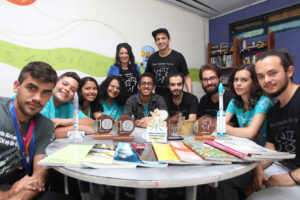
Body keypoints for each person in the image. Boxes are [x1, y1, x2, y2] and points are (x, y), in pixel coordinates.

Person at [0, 62, 71, 200]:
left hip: (16, 185)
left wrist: (16, 197)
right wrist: (8, 195)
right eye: (31, 87)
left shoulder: (46, 126)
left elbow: (39, 178)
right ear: (17, 86)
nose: (37, 98)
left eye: (45, 92)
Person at [246, 50, 300, 199]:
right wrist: (258, 168)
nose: (266, 80)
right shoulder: (274, 110)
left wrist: (292, 177)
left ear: (289, 71)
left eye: (273, 73)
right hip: (281, 166)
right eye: (261, 76)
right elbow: (271, 146)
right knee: (234, 178)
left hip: (294, 175)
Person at [225, 64, 273, 146]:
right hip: (246, 148)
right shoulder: (234, 101)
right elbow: (219, 125)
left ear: (254, 83)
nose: (238, 83)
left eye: (244, 80)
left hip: (264, 151)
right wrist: (241, 131)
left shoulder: (264, 102)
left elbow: (250, 133)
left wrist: (226, 128)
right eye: (236, 80)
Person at [40, 72, 94, 138]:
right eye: (65, 84)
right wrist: (81, 128)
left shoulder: (68, 106)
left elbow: (92, 123)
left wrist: (66, 121)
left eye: (73, 90)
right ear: (55, 83)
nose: (67, 89)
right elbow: (47, 133)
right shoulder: (44, 100)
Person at [145, 28, 192, 95]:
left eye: (163, 38)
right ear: (155, 42)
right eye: (158, 39)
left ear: (169, 40)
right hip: (158, 98)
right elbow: (147, 78)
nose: (160, 41)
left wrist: (190, 96)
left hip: (176, 97)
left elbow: (186, 77)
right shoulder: (152, 58)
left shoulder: (178, 56)